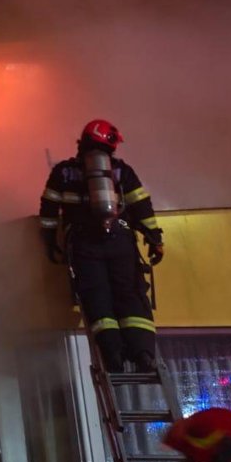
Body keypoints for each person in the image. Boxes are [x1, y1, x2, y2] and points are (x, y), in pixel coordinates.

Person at [39, 119, 165, 372]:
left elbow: (49, 208)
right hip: (120, 240)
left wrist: (49, 240)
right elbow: (141, 206)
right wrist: (155, 239)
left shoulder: (63, 172)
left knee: (97, 297)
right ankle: (143, 354)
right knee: (130, 294)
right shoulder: (121, 171)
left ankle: (113, 355)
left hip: (84, 243)